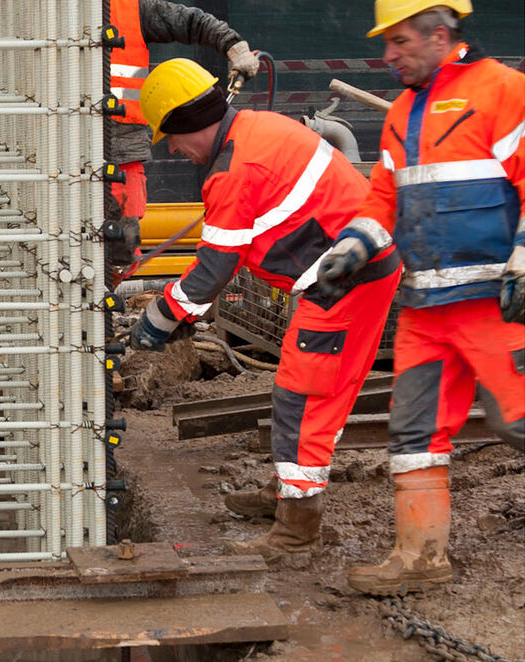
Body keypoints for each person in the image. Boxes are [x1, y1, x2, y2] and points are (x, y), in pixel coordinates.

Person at [128, 58, 401, 562]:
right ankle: (289, 498)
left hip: (338, 281)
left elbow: (211, 273)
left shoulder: (234, 170)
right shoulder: (258, 130)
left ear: (189, 123)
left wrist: (157, 321)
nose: (172, 149)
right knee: (323, 395)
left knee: (300, 400)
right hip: (363, 267)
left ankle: (297, 532)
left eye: (171, 136)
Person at [317, 0, 524, 595]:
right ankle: (421, 558)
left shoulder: (505, 92)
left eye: (399, 42)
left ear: (440, 35)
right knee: (413, 435)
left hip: (496, 306)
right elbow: (383, 199)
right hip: (426, 310)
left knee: (519, 422)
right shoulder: (403, 112)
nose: (388, 56)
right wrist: (352, 250)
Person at [103, 0, 260, 269]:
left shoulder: (129, 9)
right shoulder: (38, 15)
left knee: (122, 251)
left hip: (122, 154)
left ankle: (105, 303)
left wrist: (234, 47)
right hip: (59, 156)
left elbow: (190, 21)